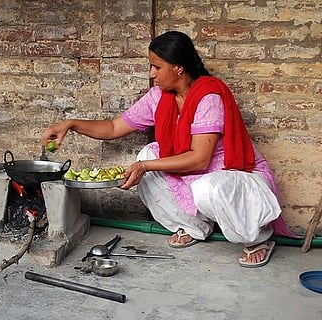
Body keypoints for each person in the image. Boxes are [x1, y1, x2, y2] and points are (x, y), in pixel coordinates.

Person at [41, 30, 294, 268]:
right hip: (197, 176)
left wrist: (144, 167)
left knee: (201, 184)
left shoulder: (208, 97)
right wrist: (70, 124)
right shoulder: (159, 97)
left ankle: (259, 237)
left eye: (157, 67)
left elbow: (200, 160)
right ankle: (195, 227)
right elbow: (112, 127)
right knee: (149, 153)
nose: (152, 74)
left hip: (231, 175)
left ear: (179, 68)